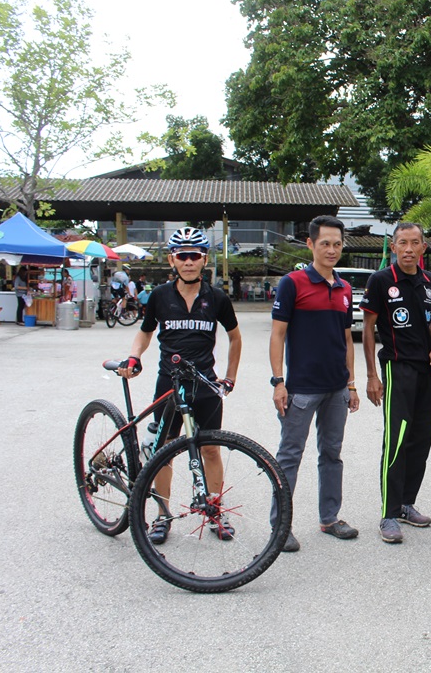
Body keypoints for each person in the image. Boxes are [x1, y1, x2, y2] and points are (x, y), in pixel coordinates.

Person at [117, 227, 242, 545]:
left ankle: (215, 511)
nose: (188, 262)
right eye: (182, 256)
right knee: (165, 451)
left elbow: (235, 337)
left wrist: (230, 376)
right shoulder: (159, 295)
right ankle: (163, 515)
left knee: (210, 449)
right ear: (172, 259)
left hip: (205, 384)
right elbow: (145, 331)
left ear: (204, 260)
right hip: (168, 384)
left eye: (194, 256)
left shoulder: (217, 298)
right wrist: (134, 356)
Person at [270, 215, 361, 553]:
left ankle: (330, 518)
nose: (331, 250)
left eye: (337, 244)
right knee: (289, 456)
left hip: (337, 388)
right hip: (301, 389)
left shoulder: (344, 288)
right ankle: (281, 526)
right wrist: (279, 382)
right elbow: (277, 335)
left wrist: (351, 384)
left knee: (332, 455)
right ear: (310, 244)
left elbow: (347, 340)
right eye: (325, 243)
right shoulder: (292, 283)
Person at [360, 222, 431, 543]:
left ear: (423, 247)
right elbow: (368, 329)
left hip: (427, 371)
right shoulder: (381, 280)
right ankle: (388, 513)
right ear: (393, 247)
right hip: (397, 368)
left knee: (422, 438)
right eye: (402, 243)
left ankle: (406, 504)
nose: (409, 249)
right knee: (396, 440)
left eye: (415, 243)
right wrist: (372, 375)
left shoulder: (429, 281)